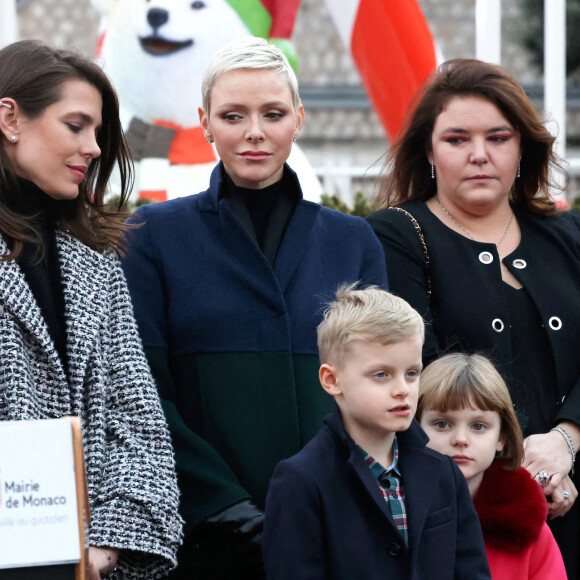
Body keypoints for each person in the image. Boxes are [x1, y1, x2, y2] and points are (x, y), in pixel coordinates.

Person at [121, 36, 387, 579]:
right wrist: (220, 507)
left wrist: (338, 496)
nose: (254, 133)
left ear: (299, 118)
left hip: (334, 529)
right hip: (206, 540)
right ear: (205, 121)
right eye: (233, 115)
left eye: (272, 113)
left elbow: (384, 383)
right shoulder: (152, 237)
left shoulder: (352, 241)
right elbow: (142, 392)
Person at [366, 57, 580, 577]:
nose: (479, 155)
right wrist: (526, 472)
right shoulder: (396, 235)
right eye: (457, 139)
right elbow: (419, 373)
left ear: (523, 147)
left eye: (498, 137)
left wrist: (566, 441)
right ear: (430, 151)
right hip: (471, 515)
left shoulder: (567, 235)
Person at [0, 40, 182, 579]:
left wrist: (109, 541)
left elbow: (138, 419)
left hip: (85, 561)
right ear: (9, 118)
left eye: (98, 131)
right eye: (76, 125)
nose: (95, 147)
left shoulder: (96, 263)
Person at [263, 285, 491, 579]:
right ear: (332, 380)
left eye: (411, 373)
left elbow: (471, 572)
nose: (402, 390)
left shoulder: (443, 471)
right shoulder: (301, 481)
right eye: (381, 374)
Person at [417, 353, 567, 579]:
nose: (460, 439)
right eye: (442, 424)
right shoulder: (394, 511)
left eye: (478, 426)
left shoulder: (527, 528)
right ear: (415, 427)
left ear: (501, 437)